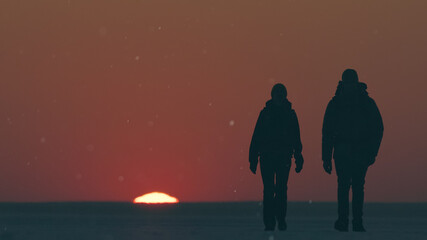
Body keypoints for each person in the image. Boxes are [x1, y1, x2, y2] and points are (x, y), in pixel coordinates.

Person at [322, 69, 384, 232]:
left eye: (352, 82)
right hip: (343, 152)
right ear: (343, 83)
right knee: (344, 186)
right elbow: (327, 132)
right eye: (347, 82)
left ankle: (356, 222)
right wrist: (326, 158)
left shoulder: (366, 103)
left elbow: (378, 128)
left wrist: (372, 152)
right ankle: (344, 221)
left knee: (356, 187)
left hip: (360, 152)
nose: (350, 85)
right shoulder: (336, 104)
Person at [249, 83, 304, 231]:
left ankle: (280, 220)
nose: (279, 97)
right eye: (277, 94)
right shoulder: (265, 114)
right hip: (266, 158)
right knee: (268, 190)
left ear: (284, 96)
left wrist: (299, 157)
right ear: (272, 96)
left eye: (281, 94)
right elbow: (256, 137)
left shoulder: (290, 115)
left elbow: (296, 138)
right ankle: (269, 222)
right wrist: (253, 158)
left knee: (280, 190)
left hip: (283, 158)